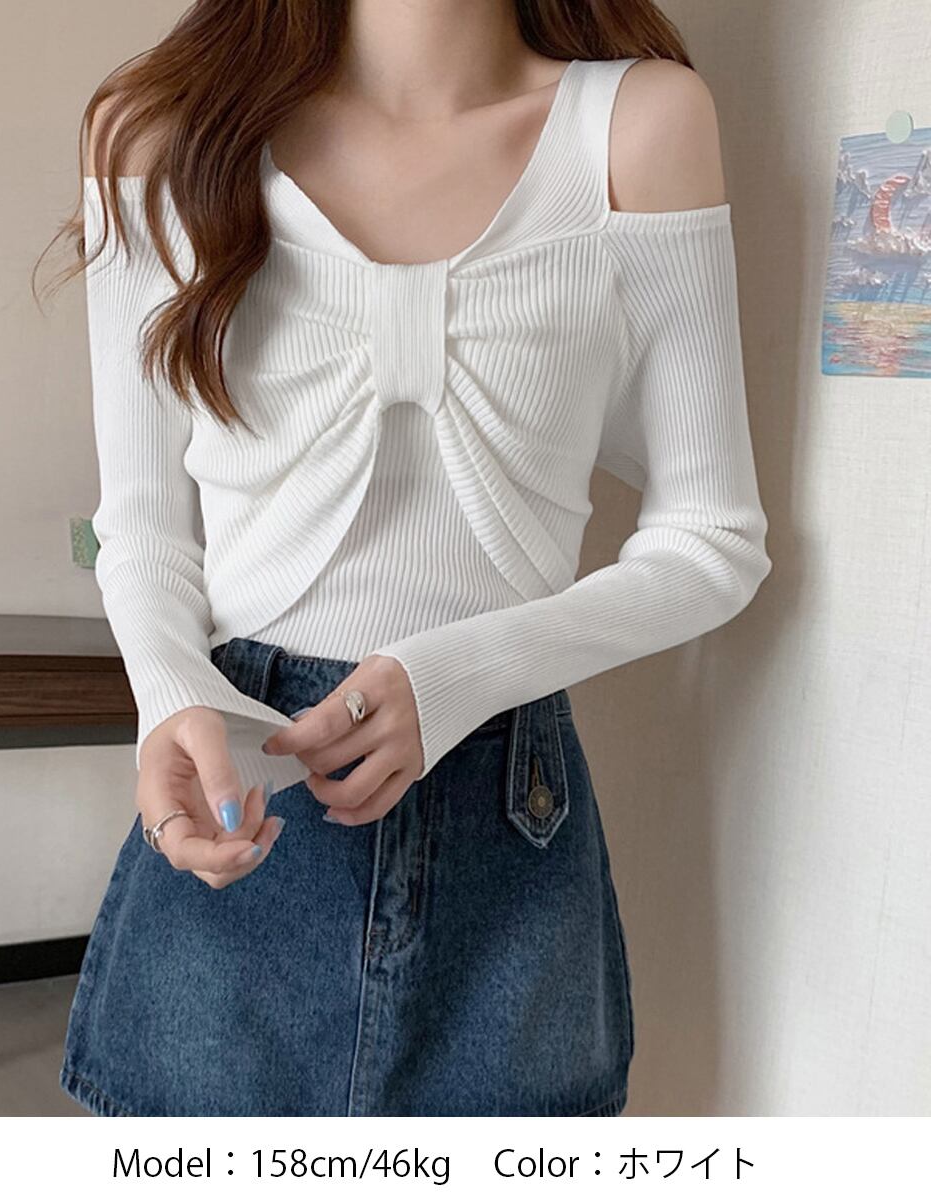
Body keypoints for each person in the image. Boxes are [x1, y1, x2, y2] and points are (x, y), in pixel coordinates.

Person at [52, 0, 771, 1117]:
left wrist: (456, 678)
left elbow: (711, 540)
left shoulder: (639, 127)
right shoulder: (157, 130)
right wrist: (171, 698)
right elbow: (142, 527)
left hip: (505, 797)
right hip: (247, 771)